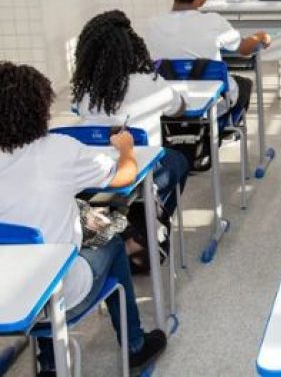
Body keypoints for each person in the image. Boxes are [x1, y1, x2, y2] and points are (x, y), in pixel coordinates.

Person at [0, 62, 166, 376]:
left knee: (41, 250)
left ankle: (50, 363)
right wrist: (126, 149)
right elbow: (124, 176)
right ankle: (135, 346)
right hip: (55, 297)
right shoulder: (59, 150)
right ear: (40, 109)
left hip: (7, 297)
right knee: (111, 243)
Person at [71, 9, 190, 272]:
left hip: (93, 177)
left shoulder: (85, 93)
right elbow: (180, 107)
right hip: (140, 172)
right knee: (178, 161)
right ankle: (150, 222)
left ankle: (131, 224)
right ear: (132, 47)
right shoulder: (149, 82)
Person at [144, 0, 271, 118]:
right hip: (209, 102)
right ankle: (221, 127)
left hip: (167, 104)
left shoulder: (152, 25)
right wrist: (260, 36)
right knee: (244, 84)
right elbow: (244, 48)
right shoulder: (213, 22)